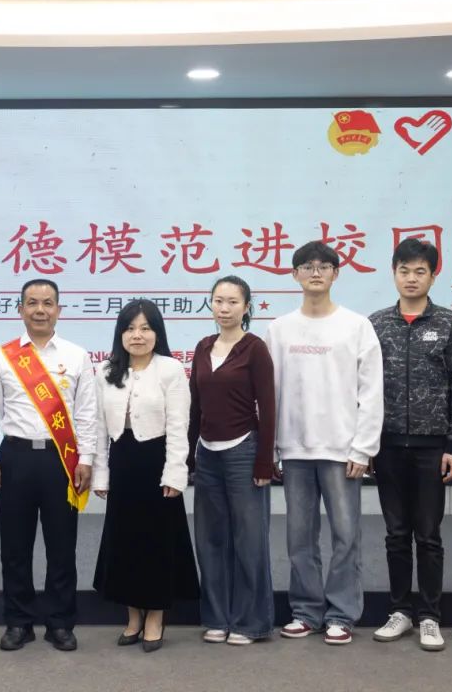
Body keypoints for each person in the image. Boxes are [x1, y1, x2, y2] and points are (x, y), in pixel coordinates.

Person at [266, 241, 383, 646]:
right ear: (294, 274)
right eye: (307, 266)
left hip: (341, 450)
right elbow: (270, 393)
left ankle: (342, 614)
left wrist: (363, 448)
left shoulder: (356, 326)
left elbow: (372, 392)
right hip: (295, 449)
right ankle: (306, 611)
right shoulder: (279, 329)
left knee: (346, 537)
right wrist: (272, 448)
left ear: (336, 273)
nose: (315, 273)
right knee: (299, 539)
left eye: (323, 266)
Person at [0, 279, 97, 653]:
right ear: (21, 309)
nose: (40, 310)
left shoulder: (77, 356)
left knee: (62, 546)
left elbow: (87, 413)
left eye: (47, 303)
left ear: (59, 310)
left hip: (61, 460)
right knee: (15, 547)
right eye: (32, 303)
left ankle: (60, 623)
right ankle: (19, 622)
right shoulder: (2, 356)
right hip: (14, 458)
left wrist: (87, 459)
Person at [368, 239, 452, 652]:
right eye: (404, 271)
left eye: (420, 271)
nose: (411, 278)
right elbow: (364, 387)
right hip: (388, 445)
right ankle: (399, 611)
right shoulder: (376, 324)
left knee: (428, 534)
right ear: (393, 273)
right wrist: (368, 443)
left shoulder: (450, 324)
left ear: (433, 275)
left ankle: (430, 616)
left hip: (433, 447)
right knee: (396, 533)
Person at [92, 299, 198, 653]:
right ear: (120, 334)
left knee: (156, 542)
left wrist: (175, 474)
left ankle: (155, 616)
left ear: (157, 333)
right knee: (125, 541)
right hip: (122, 462)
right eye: (130, 328)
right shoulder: (107, 371)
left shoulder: (170, 369)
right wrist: (101, 475)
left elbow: (179, 426)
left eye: (145, 328)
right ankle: (133, 616)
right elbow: (98, 428)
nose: (137, 335)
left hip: (156, 462)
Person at [189, 276, 276, 646]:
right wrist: (188, 456)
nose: (224, 309)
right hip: (207, 454)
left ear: (246, 307)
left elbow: (268, 408)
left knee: (249, 540)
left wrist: (264, 462)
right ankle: (217, 618)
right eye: (218, 301)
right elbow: (195, 406)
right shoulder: (202, 347)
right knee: (210, 539)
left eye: (232, 302)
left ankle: (250, 622)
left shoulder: (255, 349)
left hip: (244, 451)